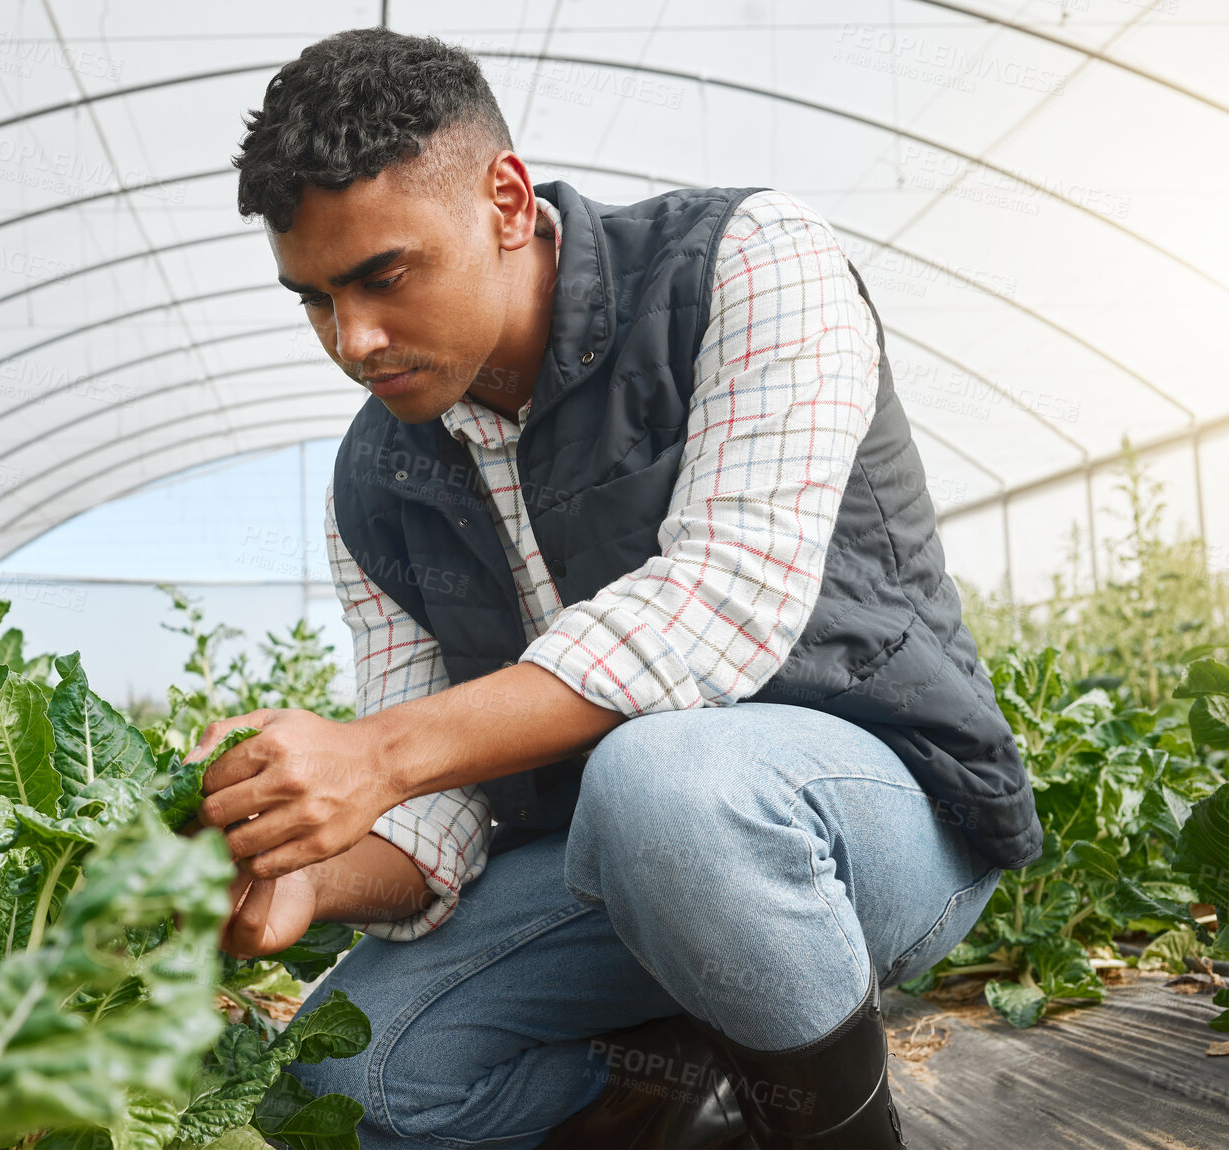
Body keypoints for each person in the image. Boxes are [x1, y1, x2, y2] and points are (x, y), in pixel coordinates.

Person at [190, 26, 1041, 1150]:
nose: (352, 339)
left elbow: (722, 600)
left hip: (866, 822)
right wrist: (310, 877)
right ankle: (691, 1094)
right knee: (342, 1080)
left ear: (503, 199)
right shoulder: (375, 479)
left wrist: (374, 753)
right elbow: (435, 813)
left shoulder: (744, 261)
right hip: (604, 864)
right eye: (311, 299)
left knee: (664, 781)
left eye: (381, 277)